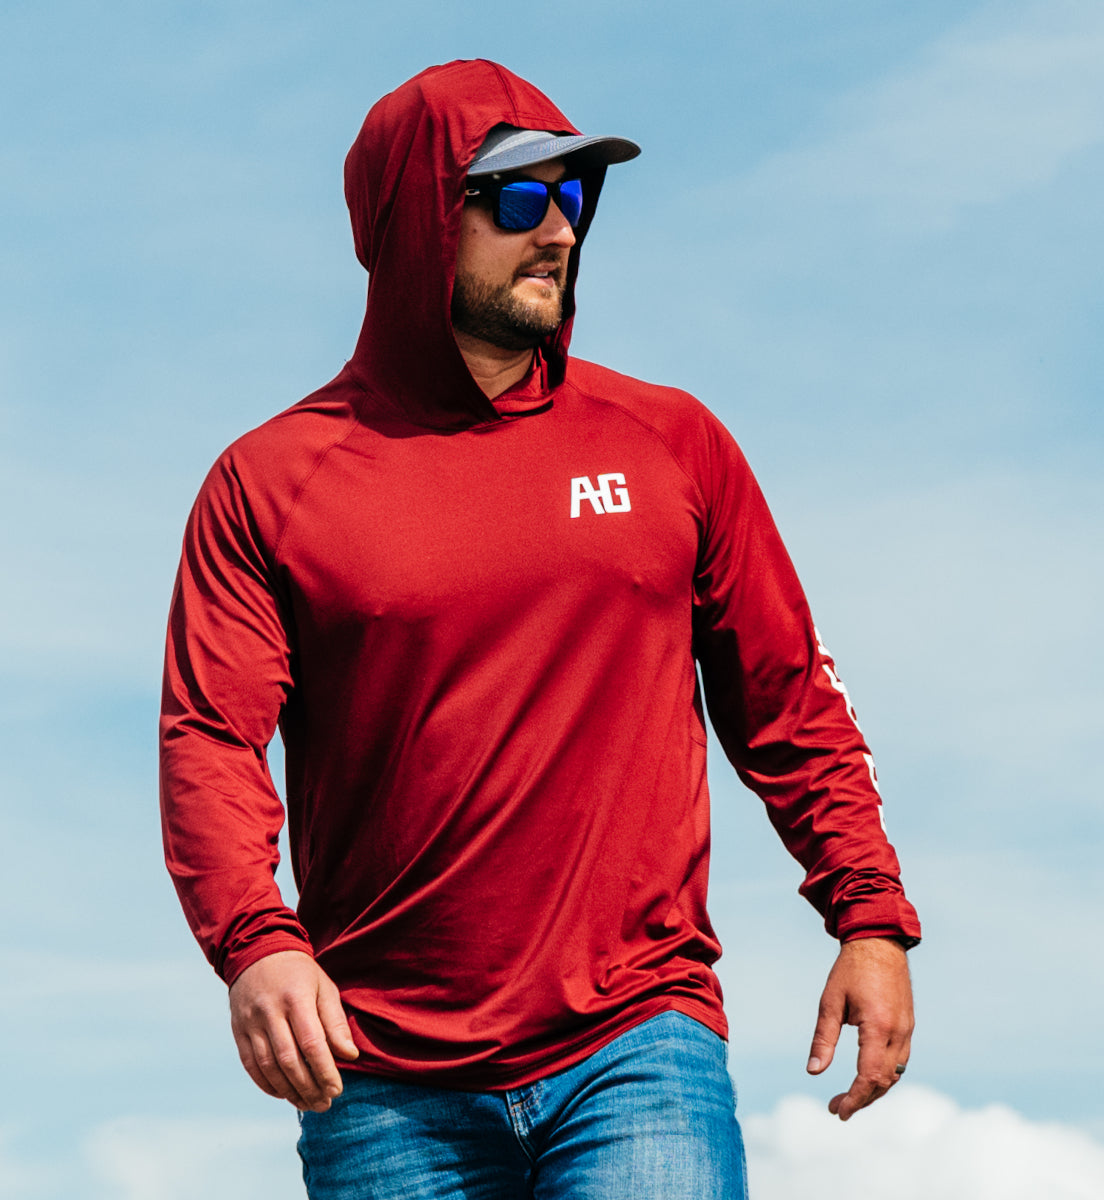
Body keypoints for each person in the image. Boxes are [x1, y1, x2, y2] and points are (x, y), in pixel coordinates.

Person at [159, 59, 921, 1199]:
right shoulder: (268, 484)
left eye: (574, 197)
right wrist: (254, 940)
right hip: (381, 1079)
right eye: (517, 199)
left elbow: (786, 699)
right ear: (420, 220)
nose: (557, 230)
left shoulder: (672, 444)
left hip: (637, 1042)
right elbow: (211, 741)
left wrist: (869, 913)